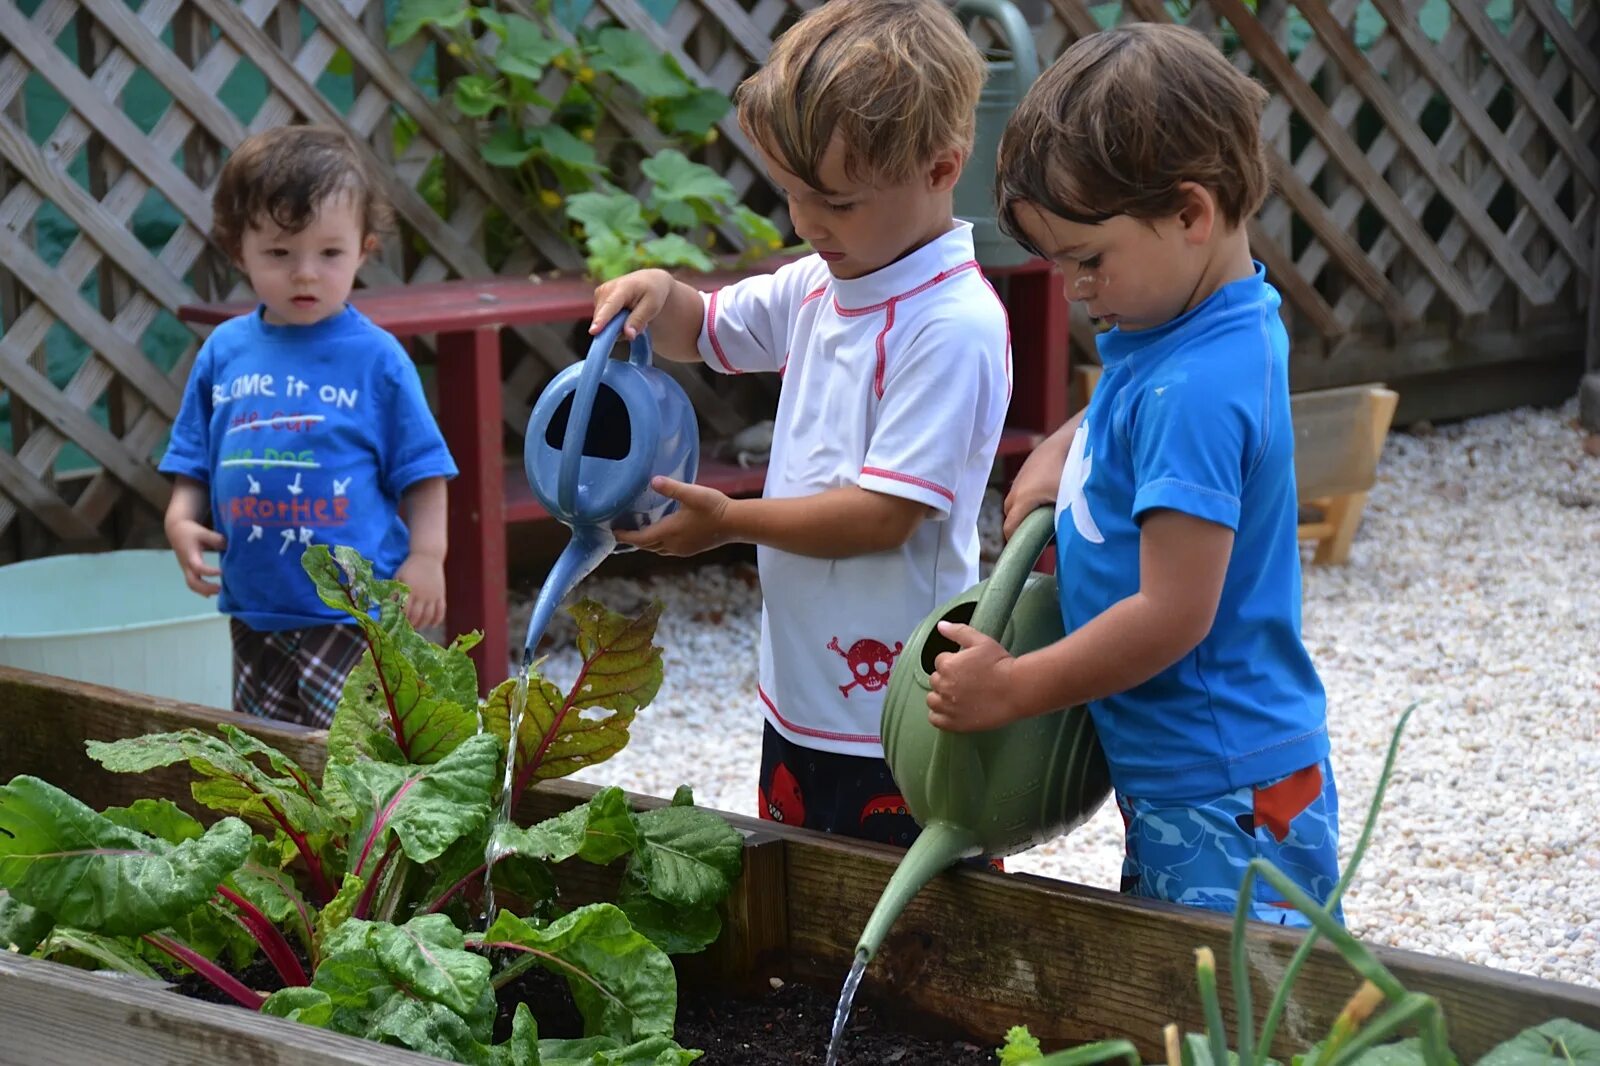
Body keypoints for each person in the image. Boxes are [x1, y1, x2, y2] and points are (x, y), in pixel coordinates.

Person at [925, 23, 1342, 925]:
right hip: (1191, 764)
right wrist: (1071, 446)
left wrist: (1013, 688)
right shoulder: (1200, 319)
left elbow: (1172, 613)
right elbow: (1135, 393)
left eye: (1088, 259)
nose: (1075, 289)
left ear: (1191, 213)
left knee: (1237, 1014)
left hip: (1224, 787)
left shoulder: (1199, 388)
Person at [588, 0, 1011, 848]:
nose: (807, 223)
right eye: (791, 194)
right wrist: (659, 293)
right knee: (805, 912)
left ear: (941, 168)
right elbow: (708, 330)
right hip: (808, 693)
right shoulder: (825, 281)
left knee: (911, 933)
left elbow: (885, 514)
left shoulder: (949, 324)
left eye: (836, 201)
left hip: (901, 708)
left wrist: (730, 524)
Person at [160, 125, 457, 727]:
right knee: (272, 761)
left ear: (364, 249)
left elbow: (424, 472)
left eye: (329, 253)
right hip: (254, 608)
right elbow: (193, 460)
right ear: (237, 247)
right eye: (278, 253)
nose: (305, 274)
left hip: (353, 611)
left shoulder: (376, 358)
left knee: (357, 760)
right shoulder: (224, 351)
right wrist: (180, 520)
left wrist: (428, 555)